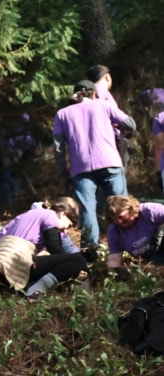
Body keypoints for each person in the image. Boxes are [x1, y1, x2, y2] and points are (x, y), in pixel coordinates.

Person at [53, 79, 136, 249]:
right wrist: (121, 130)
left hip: (81, 168)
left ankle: (91, 249)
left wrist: (63, 170)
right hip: (110, 162)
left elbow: (58, 147)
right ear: (93, 93)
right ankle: (129, 243)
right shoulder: (104, 105)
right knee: (121, 204)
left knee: (87, 209)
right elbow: (130, 124)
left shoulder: (62, 114)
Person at [0, 198, 88, 298]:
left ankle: (4, 282)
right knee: (78, 261)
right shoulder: (50, 215)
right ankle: (36, 289)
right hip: (19, 258)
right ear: (62, 214)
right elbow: (54, 248)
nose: (65, 231)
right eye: (68, 225)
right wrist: (80, 261)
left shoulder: (24, 216)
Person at [105, 194, 164, 272]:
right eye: (115, 219)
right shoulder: (114, 231)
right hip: (151, 257)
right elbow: (115, 257)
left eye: (121, 216)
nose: (119, 221)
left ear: (130, 209)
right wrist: (113, 273)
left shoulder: (150, 210)